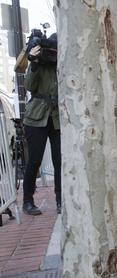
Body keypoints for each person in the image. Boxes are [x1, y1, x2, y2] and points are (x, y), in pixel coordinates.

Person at [23, 33, 61, 215]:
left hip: (57, 119)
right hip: (36, 118)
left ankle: (61, 200)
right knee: (34, 161)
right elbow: (29, 86)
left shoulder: (61, 65)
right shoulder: (37, 63)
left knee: (60, 162)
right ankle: (28, 201)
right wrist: (34, 62)